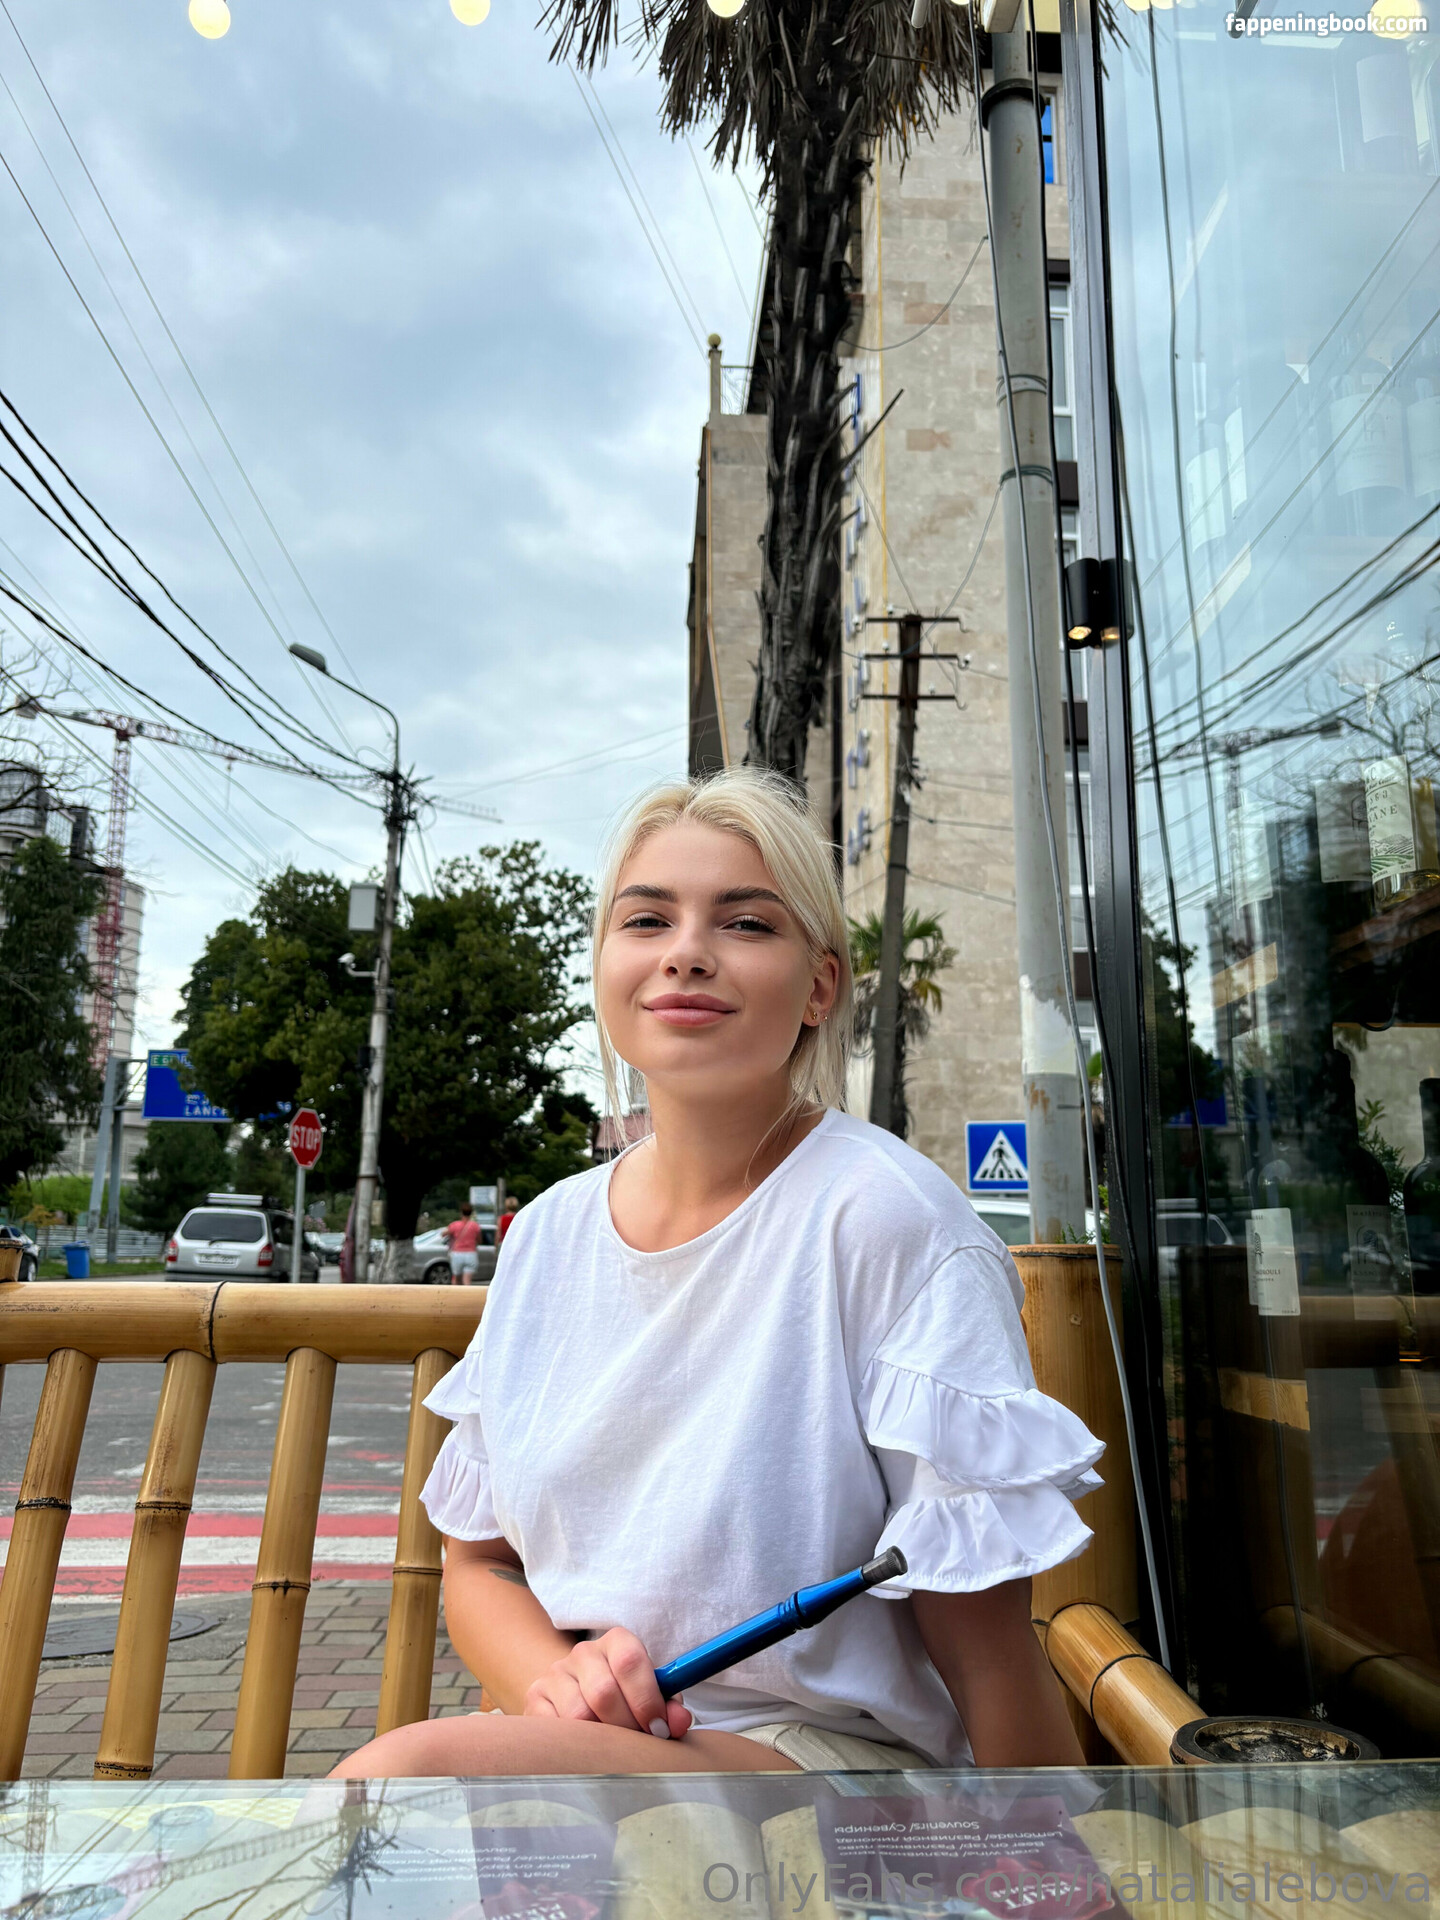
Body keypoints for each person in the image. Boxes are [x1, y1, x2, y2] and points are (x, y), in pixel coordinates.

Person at [334, 770, 1100, 1780]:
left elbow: (988, 1648)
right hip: (583, 1754)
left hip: (829, 1781)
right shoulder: (548, 1234)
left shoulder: (889, 1221)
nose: (686, 952)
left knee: (400, 1779)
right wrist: (560, 1684)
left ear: (821, 986)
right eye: (646, 919)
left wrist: (1050, 1853)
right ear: (605, 965)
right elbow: (479, 1564)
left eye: (745, 924)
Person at [443, 1202, 482, 1286]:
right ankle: (467, 1294)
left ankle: (455, 1294)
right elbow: (479, 1241)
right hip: (471, 1254)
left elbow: (443, 1234)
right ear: (471, 1213)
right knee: (467, 1281)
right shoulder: (475, 1226)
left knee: (456, 1280)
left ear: (461, 1213)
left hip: (457, 1254)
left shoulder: (454, 1225)